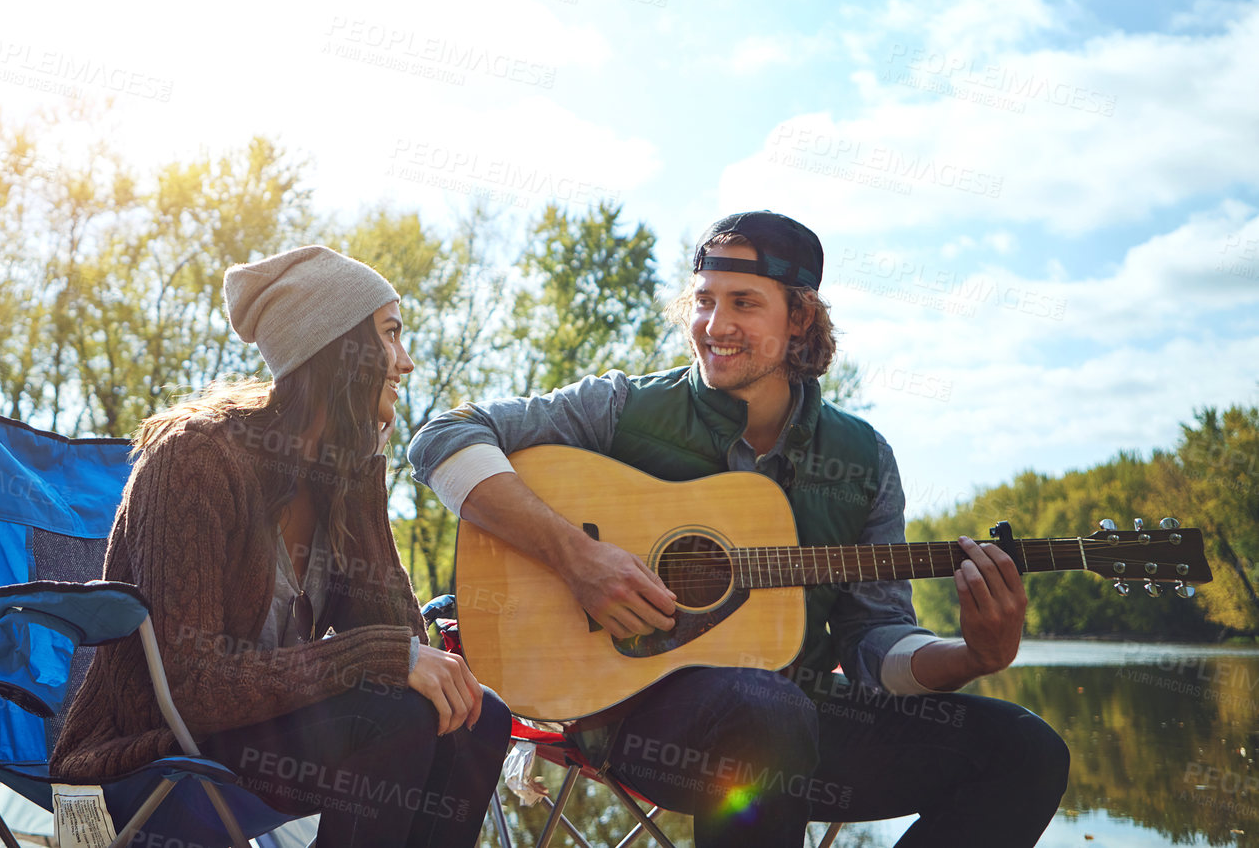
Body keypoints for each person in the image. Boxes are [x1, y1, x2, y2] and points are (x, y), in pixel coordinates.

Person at [408, 211, 1070, 847]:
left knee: (1026, 750)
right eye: (703, 300)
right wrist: (578, 558)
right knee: (767, 711)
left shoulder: (863, 459)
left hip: (805, 726)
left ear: (800, 316)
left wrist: (971, 657)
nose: (714, 325)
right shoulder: (623, 410)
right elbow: (441, 438)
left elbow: (876, 641)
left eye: (744, 303)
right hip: (640, 723)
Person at [51, 244, 512, 847]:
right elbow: (192, 691)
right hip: (155, 748)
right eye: (391, 336)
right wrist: (374, 657)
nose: (406, 363)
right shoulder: (197, 460)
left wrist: (363, 475)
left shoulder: (338, 479)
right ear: (336, 351)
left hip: (262, 738)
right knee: (392, 713)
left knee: (478, 717)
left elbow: (407, 650)